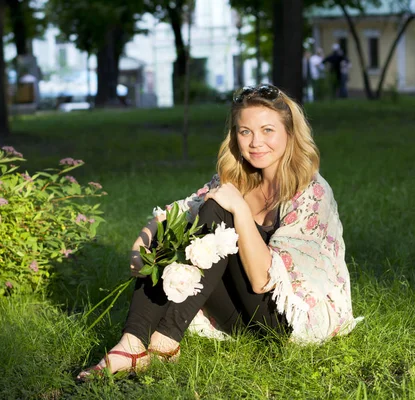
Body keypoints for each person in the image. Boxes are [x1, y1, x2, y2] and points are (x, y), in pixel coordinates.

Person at [77, 84, 360, 380]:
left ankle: (166, 339)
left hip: (284, 320)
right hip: (236, 316)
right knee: (185, 224)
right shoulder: (237, 177)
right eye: (245, 131)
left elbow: (264, 282)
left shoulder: (311, 192)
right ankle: (131, 344)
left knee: (218, 210)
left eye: (267, 130)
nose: (255, 142)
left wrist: (239, 211)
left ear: (289, 134)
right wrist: (144, 241)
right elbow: (176, 213)